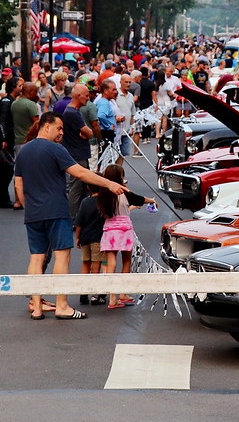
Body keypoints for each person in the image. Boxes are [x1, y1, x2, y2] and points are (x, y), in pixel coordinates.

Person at [13, 111, 126, 320]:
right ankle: (62, 305)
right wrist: (109, 183)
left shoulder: (24, 150)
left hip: (33, 213)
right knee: (61, 256)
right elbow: (81, 173)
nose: (61, 133)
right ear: (47, 126)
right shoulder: (56, 149)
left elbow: (18, 184)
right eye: (59, 128)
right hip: (56, 210)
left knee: (36, 258)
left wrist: (29, 206)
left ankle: (36, 307)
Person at [97, 164, 156, 309]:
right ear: (120, 177)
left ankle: (112, 298)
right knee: (126, 261)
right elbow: (139, 199)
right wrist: (152, 200)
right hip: (124, 229)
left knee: (111, 262)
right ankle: (123, 293)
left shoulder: (103, 193)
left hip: (110, 229)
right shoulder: (123, 191)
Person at [61, 83, 96, 218]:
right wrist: (87, 133)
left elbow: (87, 132)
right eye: (86, 95)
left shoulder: (75, 111)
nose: (88, 98)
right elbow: (89, 132)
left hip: (79, 153)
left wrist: (86, 132)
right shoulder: (72, 113)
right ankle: (73, 217)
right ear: (78, 96)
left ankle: (79, 216)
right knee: (76, 188)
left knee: (82, 187)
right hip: (77, 154)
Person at [0, 77, 22, 209]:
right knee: (5, 169)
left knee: (7, 170)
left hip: (8, 139)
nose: (21, 88)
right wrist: (3, 138)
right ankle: (2, 198)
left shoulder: (12, 101)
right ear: (13, 87)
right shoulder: (6, 102)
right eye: (19, 85)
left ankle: (3, 198)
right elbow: (1, 121)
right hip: (4, 141)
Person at [11, 81, 41, 149]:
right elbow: (37, 124)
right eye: (35, 92)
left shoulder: (14, 103)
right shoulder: (31, 104)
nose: (36, 94)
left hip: (18, 141)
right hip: (29, 141)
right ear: (31, 92)